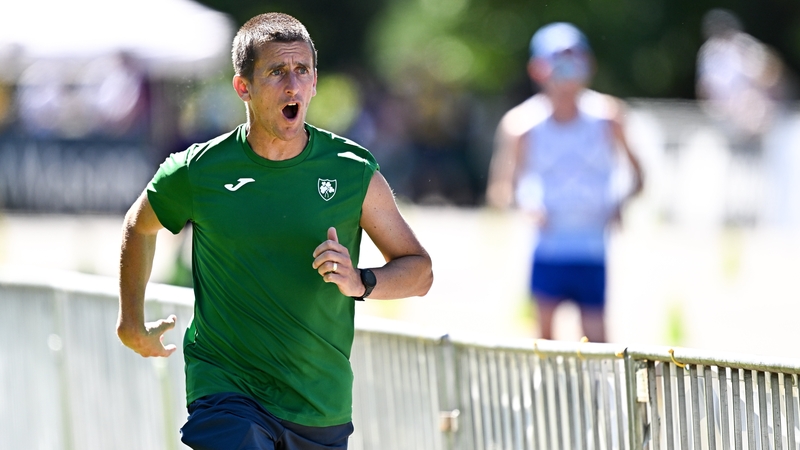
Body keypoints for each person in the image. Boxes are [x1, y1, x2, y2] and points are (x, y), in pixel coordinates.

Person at [116, 12, 433, 450]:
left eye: (302, 70)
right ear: (243, 87)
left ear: (315, 82)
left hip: (317, 402)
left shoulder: (351, 171)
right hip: (226, 390)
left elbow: (420, 272)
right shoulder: (198, 170)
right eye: (276, 71)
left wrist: (361, 281)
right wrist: (130, 321)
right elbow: (139, 225)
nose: (292, 85)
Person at [486, 22, 642, 343]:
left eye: (574, 59)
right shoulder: (522, 125)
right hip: (548, 249)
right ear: (538, 69)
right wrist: (526, 205)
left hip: (592, 248)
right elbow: (500, 189)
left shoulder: (608, 117)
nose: (567, 71)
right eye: (558, 60)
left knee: (597, 340)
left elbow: (639, 176)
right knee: (544, 341)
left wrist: (619, 204)